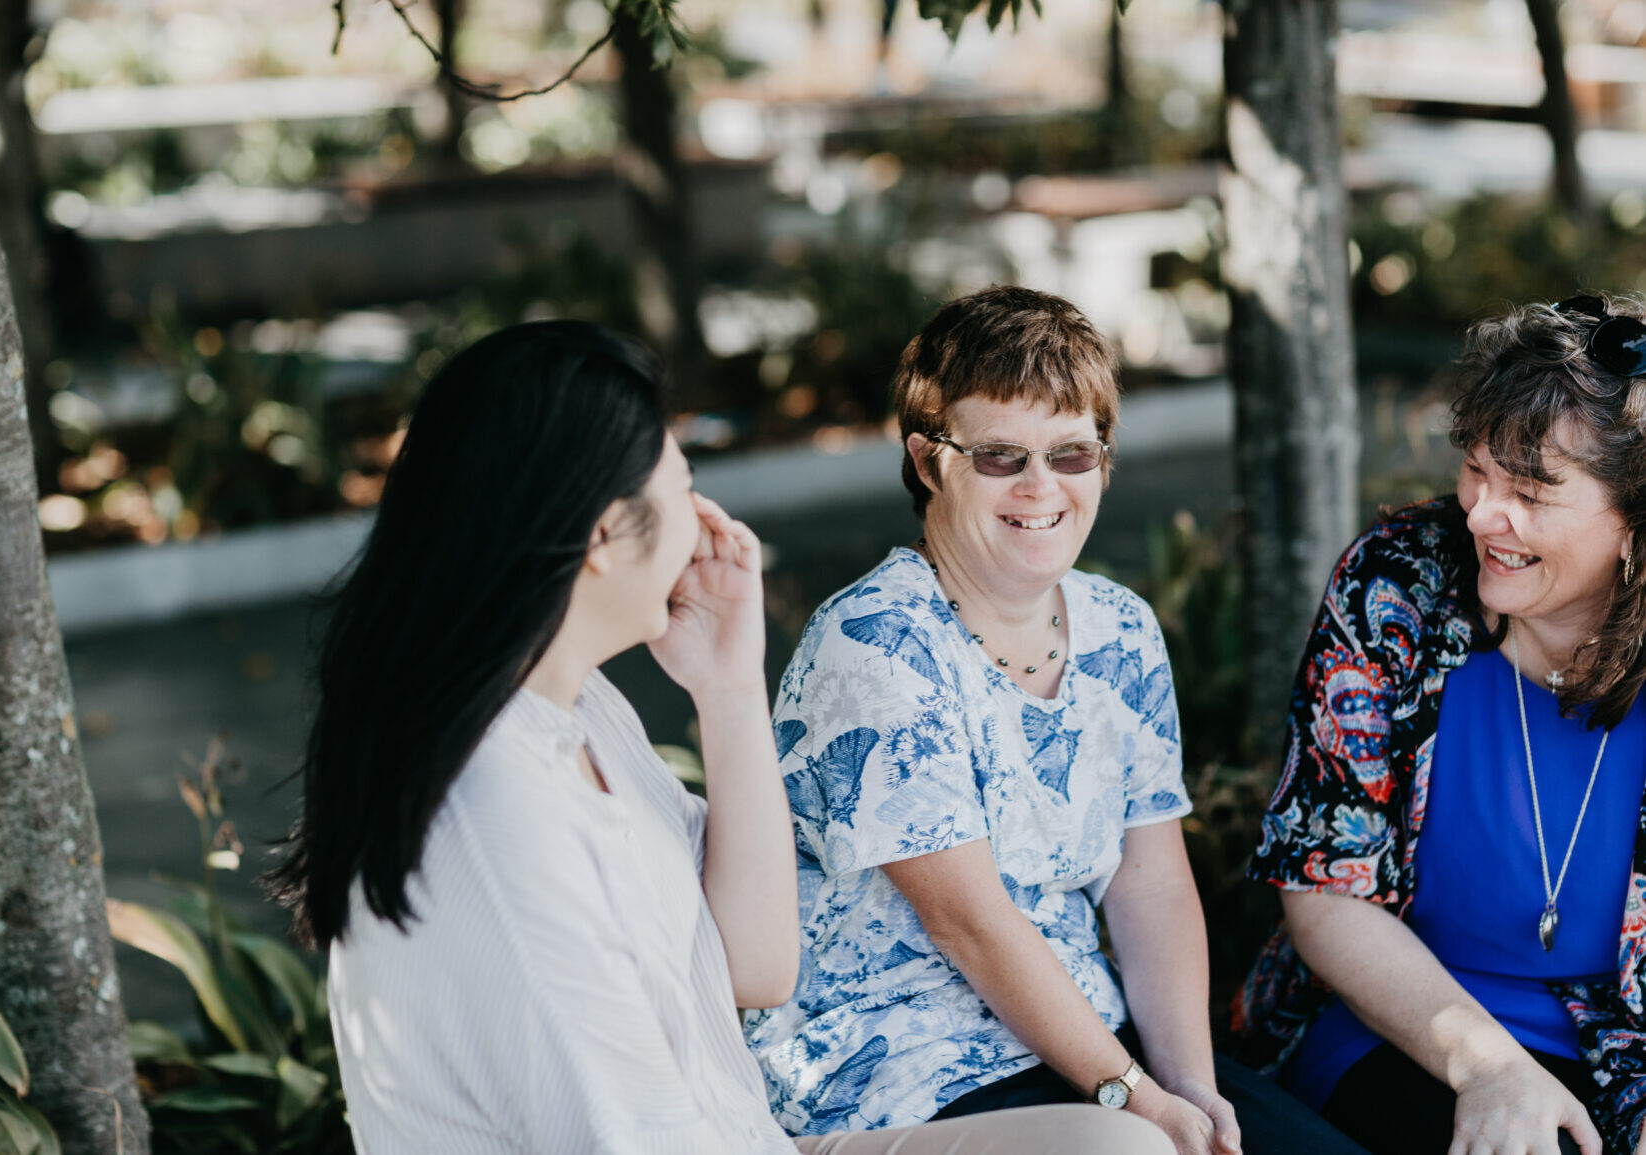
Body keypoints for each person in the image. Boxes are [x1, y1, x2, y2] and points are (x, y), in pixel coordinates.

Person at [265, 319, 1173, 1155]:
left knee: (1122, 1148)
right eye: (683, 490)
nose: (711, 526)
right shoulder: (494, 814)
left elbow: (757, 964)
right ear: (598, 538)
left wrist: (730, 688)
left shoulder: (578, 717)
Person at [747, 286, 1365, 1155]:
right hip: (904, 1065)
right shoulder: (876, 641)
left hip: (1081, 1040)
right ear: (930, 464)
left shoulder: (1119, 626)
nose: (1043, 487)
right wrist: (1130, 1094)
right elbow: (967, 920)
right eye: (1001, 456)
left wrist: (1188, 1082)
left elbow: (1148, 880)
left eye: (1072, 453)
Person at [1232, 294, 1646, 1155]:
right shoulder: (1396, 586)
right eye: (1475, 470)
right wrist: (1487, 1066)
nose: (1481, 513)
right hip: (1403, 1024)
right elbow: (1323, 889)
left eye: (1528, 491)